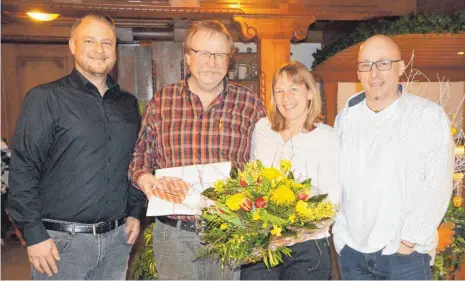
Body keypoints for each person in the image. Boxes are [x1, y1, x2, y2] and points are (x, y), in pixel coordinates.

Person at [7, 13, 147, 280]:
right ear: (72, 45)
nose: (99, 50)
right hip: (59, 245)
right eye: (90, 41)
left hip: (117, 242)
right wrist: (34, 234)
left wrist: (135, 211)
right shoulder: (44, 98)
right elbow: (23, 169)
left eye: (107, 43)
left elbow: (135, 161)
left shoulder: (128, 104)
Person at [128, 20, 266, 280]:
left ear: (229, 60)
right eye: (203, 53)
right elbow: (139, 159)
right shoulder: (162, 101)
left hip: (227, 232)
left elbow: (263, 168)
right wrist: (145, 179)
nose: (211, 63)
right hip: (173, 234)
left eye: (219, 55)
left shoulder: (250, 104)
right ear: (188, 57)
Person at [332, 34, 454, 280]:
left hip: (404, 258)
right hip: (353, 255)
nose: (374, 73)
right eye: (365, 65)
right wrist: (341, 237)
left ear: (401, 66)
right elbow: (338, 183)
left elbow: (438, 185)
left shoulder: (426, 116)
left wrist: (407, 242)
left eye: (383, 63)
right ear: (358, 72)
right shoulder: (346, 118)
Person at [239, 61, 340, 280]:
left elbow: (331, 202)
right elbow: (253, 180)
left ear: (310, 93)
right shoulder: (263, 129)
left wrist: (292, 234)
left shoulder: (327, 137)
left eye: (294, 89)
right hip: (263, 244)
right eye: (280, 91)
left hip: (308, 246)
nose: (286, 98)